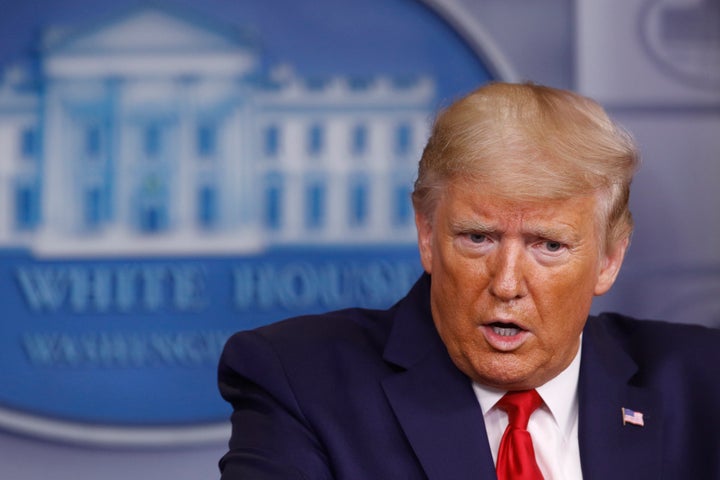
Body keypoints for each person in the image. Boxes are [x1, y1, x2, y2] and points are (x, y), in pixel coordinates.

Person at [217, 82, 720, 479]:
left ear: (609, 259)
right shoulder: (301, 382)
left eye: (548, 245)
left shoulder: (702, 382)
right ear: (427, 235)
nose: (506, 284)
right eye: (478, 237)